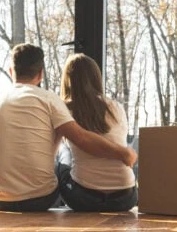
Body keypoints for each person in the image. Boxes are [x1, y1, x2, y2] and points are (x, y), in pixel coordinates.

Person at [0, 44, 137, 212]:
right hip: (46, 199)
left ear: (11, 71)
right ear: (41, 73)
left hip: (0, 200)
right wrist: (123, 152)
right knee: (61, 152)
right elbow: (81, 138)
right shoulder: (52, 100)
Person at [56, 53, 137, 212]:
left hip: (85, 199)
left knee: (62, 154)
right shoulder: (116, 107)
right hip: (126, 198)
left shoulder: (64, 110)